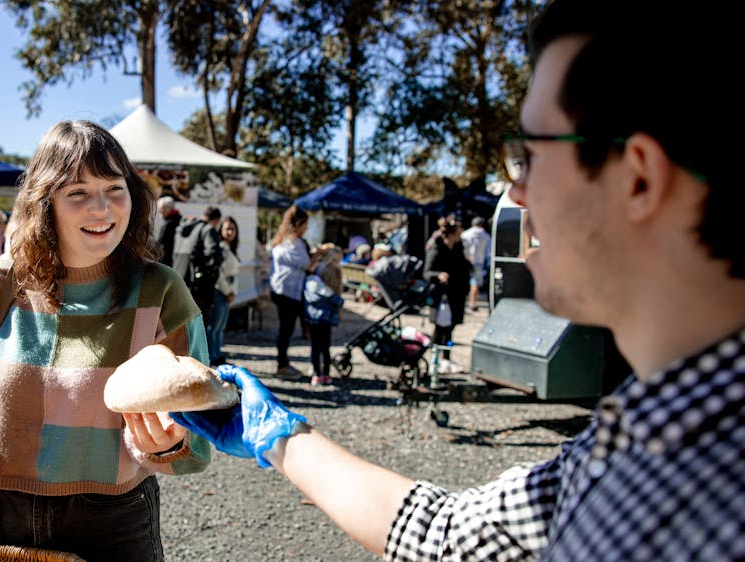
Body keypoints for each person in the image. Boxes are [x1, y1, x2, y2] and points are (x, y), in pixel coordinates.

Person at [172, 1, 745, 560]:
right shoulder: (637, 431)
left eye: (532, 155)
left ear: (638, 180)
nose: (515, 193)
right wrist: (280, 438)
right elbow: (448, 534)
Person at [0, 120, 213, 561]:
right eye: (77, 193)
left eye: (115, 187)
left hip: (117, 522)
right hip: (3, 515)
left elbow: (199, 429)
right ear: (45, 203)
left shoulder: (162, 291)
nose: (102, 208)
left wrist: (169, 443)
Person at [268, 205, 318, 380]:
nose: (306, 229)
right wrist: (319, 254)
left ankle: (284, 363)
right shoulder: (293, 243)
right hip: (287, 291)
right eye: (305, 225)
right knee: (286, 329)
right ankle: (282, 365)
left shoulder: (284, 240)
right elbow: (307, 264)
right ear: (298, 224)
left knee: (286, 329)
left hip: (281, 289)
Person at [422, 217, 470, 368]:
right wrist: (439, 275)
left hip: (457, 293)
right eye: (458, 233)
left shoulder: (459, 247)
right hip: (441, 295)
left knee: (450, 328)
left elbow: (463, 267)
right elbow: (427, 273)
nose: (460, 236)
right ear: (450, 234)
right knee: (440, 329)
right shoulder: (436, 248)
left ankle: (446, 358)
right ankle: (434, 359)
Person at [172, 205, 223, 325]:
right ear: (216, 220)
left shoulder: (180, 229)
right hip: (198, 288)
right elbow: (215, 255)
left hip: (178, 284)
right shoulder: (208, 229)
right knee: (198, 328)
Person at [303, 244, 343, 386]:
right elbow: (338, 299)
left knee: (315, 346)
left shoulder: (312, 280)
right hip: (327, 318)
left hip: (313, 317)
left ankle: (316, 373)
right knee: (325, 347)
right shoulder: (333, 289)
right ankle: (326, 373)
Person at [206, 215, 240, 366]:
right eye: (228, 228)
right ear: (221, 230)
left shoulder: (231, 250)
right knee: (214, 327)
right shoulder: (220, 248)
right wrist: (228, 292)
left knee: (220, 328)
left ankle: (217, 354)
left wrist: (233, 293)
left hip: (227, 294)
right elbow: (219, 274)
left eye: (233, 229)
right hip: (220, 292)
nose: (230, 232)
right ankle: (211, 356)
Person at [460, 216, 491, 311]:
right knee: (475, 283)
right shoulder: (486, 236)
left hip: (464, 260)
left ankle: (462, 302)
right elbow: (488, 252)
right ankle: (472, 302)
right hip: (479, 262)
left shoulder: (465, 234)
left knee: (462, 282)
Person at [154, 195, 181, 267]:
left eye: (161, 208)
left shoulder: (169, 223)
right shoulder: (179, 219)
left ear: (168, 208)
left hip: (167, 259)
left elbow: (161, 243)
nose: (160, 211)